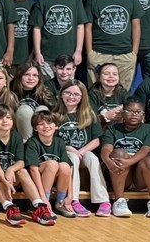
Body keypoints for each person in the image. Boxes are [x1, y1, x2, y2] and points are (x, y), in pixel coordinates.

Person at [100, 97, 150, 218]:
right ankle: (119, 201)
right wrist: (107, 161)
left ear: (143, 115)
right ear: (122, 113)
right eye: (130, 111)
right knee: (117, 153)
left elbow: (146, 150)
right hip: (119, 174)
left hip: (141, 176)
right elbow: (106, 148)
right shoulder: (112, 128)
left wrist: (129, 161)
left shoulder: (149, 129)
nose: (134, 115)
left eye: (138, 112)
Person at [84, 0, 144, 88]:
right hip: (99, 54)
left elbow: (136, 26)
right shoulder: (94, 0)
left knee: (122, 93)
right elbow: (88, 28)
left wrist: (134, 52)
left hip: (125, 55)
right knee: (96, 92)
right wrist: (90, 53)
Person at [0, 104, 47, 226]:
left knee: (23, 171)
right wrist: (4, 181)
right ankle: (9, 208)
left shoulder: (16, 136)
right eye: (0, 118)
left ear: (13, 121)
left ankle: (39, 206)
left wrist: (11, 169)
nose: (5, 121)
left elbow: (21, 162)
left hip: (11, 178)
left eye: (8, 118)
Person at [55, 80, 109, 217]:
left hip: (83, 151)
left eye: (76, 94)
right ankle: (74, 200)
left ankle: (103, 200)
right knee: (72, 158)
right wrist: (70, 148)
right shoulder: (55, 115)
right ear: (61, 94)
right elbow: (53, 140)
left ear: (82, 97)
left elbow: (96, 140)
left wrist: (83, 151)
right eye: (68, 93)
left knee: (92, 158)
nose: (71, 97)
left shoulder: (88, 115)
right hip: (65, 153)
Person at [31, 0, 89, 69]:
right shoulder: (42, 1)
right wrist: (38, 53)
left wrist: (78, 51)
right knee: (46, 86)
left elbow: (80, 26)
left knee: (67, 85)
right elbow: (37, 28)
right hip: (47, 57)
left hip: (69, 56)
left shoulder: (75, 0)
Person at [25, 110, 75, 219]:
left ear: (56, 126)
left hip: (54, 178)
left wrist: (70, 195)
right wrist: (42, 197)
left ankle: (60, 203)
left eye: (49, 123)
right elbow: (33, 170)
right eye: (41, 124)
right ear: (35, 128)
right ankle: (43, 205)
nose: (46, 126)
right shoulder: (32, 142)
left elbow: (68, 170)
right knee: (52, 164)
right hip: (36, 181)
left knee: (65, 166)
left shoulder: (59, 142)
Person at [11, 61, 58, 141]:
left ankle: (41, 143)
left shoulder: (45, 92)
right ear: (19, 76)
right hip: (19, 131)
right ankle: (27, 143)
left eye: (35, 75)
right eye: (26, 75)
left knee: (42, 109)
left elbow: (55, 114)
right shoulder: (11, 90)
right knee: (25, 110)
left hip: (41, 133)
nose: (31, 78)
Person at [7, 0, 35, 67]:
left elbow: (34, 32)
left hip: (25, 56)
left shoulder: (33, 5)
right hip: (4, 56)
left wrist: (32, 55)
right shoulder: (4, 1)